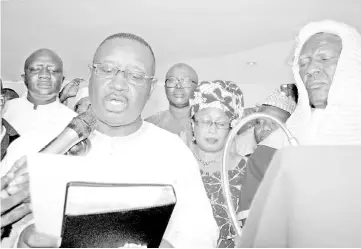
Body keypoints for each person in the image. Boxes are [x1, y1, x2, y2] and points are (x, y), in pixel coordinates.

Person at [7, 33, 217, 248]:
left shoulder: (172, 151)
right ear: (92, 74)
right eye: (107, 70)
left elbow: (201, 231)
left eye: (135, 75)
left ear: (151, 88)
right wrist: (19, 241)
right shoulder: (32, 145)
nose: (119, 84)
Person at [238, 19, 361, 238]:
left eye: (324, 58)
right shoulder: (272, 151)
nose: (311, 69)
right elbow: (256, 234)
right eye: (303, 63)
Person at [185, 80, 246, 248]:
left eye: (220, 123)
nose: (212, 130)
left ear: (231, 127)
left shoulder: (246, 169)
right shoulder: (178, 163)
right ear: (193, 124)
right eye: (205, 121)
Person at [2, 48, 77, 136]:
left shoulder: (73, 122)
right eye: (36, 69)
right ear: (24, 78)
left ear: (62, 80)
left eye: (53, 70)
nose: (44, 75)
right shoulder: (5, 111)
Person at [145, 63, 198, 142]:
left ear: (196, 87)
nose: (179, 86)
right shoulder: (150, 125)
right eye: (172, 81)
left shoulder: (209, 124)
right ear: (165, 88)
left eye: (186, 81)